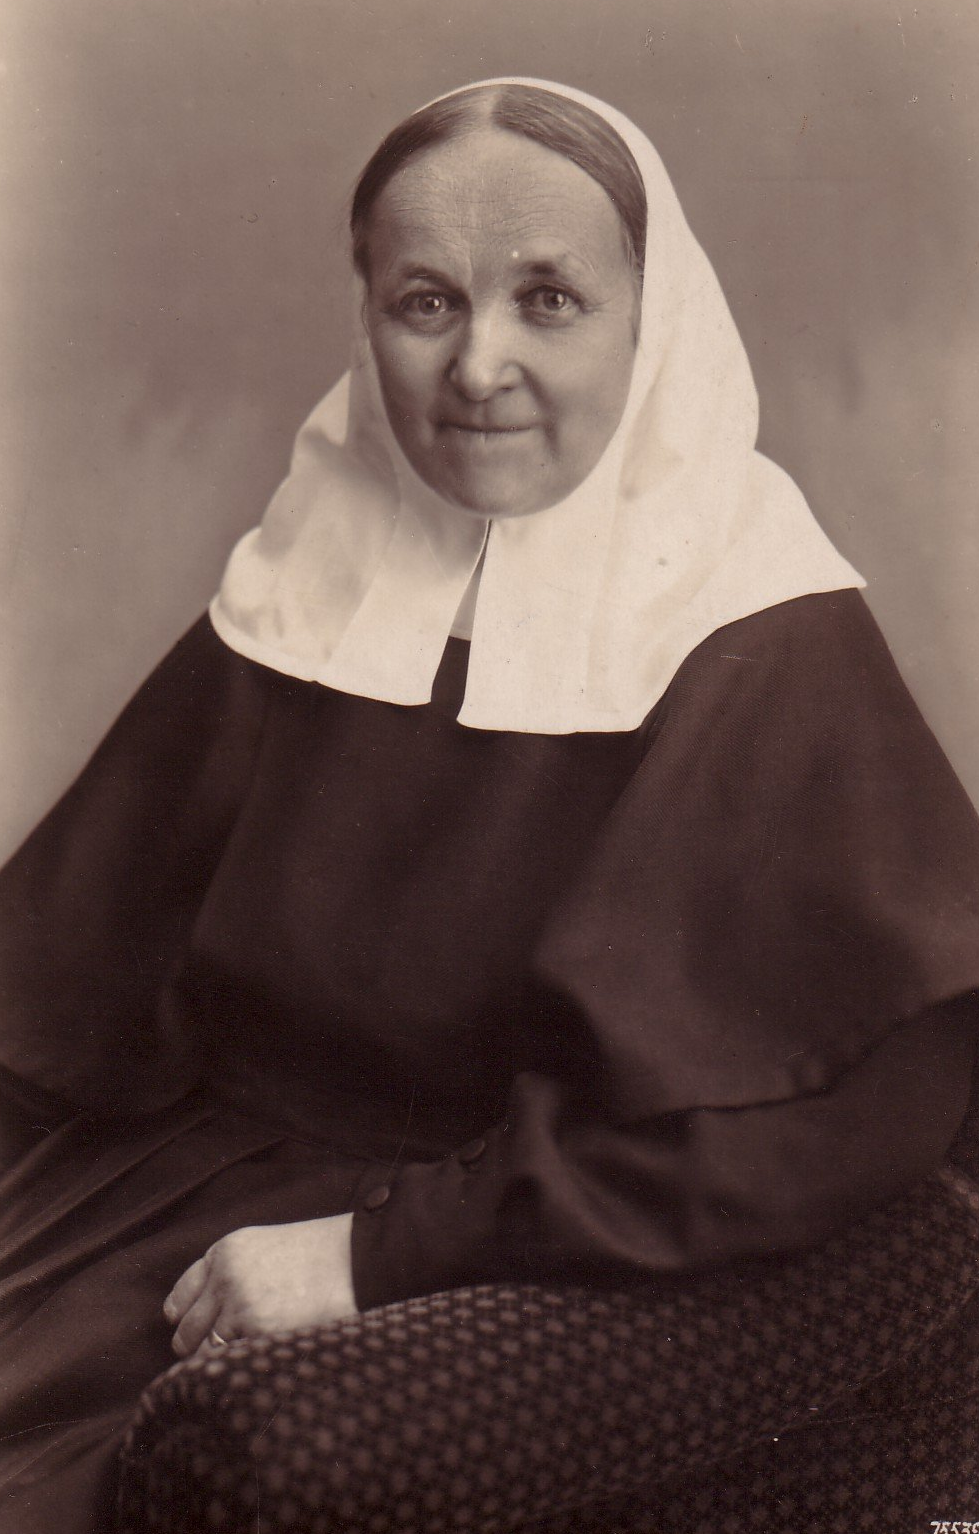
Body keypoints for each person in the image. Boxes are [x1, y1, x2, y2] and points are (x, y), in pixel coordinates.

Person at [1, 77, 978, 1534]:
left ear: (651, 324)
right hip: (145, 1204)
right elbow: (55, 982)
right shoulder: (313, 573)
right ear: (367, 321)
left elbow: (851, 1110)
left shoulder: (762, 636)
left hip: (445, 1256)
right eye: (426, 302)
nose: (478, 366)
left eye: (549, 300)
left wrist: (377, 1256)